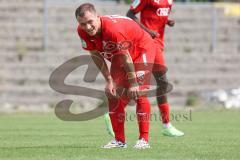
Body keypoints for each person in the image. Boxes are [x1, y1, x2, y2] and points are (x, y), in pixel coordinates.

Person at [75, 3, 162, 149]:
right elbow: (95, 55)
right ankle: (120, 141)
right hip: (121, 56)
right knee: (112, 94)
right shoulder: (82, 31)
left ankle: (143, 140)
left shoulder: (112, 30)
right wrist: (109, 80)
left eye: (90, 22)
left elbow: (126, 56)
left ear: (98, 17)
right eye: (83, 24)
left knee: (139, 91)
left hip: (141, 49)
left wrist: (133, 83)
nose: (87, 27)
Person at [126, 0, 184, 137]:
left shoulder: (169, 1)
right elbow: (129, 14)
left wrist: (167, 21)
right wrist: (147, 31)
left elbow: (156, 16)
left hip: (158, 42)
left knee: (155, 83)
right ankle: (166, 125)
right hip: (147, 42)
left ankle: (112, 111)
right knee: (160, 82)